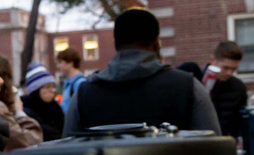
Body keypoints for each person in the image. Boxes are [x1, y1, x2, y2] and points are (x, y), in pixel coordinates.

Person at [63, 9, 221, 136]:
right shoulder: (189, 88)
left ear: (115, 45)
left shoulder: (84, 94)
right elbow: (213, 150)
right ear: (156, 43)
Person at [204, 41, 248, 139]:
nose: (229, 73)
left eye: (234, 69)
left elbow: (240, 120)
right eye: (225, 68)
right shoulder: (197, 82)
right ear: (212, 60)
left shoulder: (238, 87)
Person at [20, 61, 65, 141]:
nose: (53, 90)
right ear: (35, 89)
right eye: (47, 86)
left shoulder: (56, 108)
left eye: (53, 86)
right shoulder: (27, 112)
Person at [55, 48, 86, 113]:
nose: (58, 66)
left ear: (70, 63)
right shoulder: (68, 83)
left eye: (60, 62)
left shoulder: (80, 83)